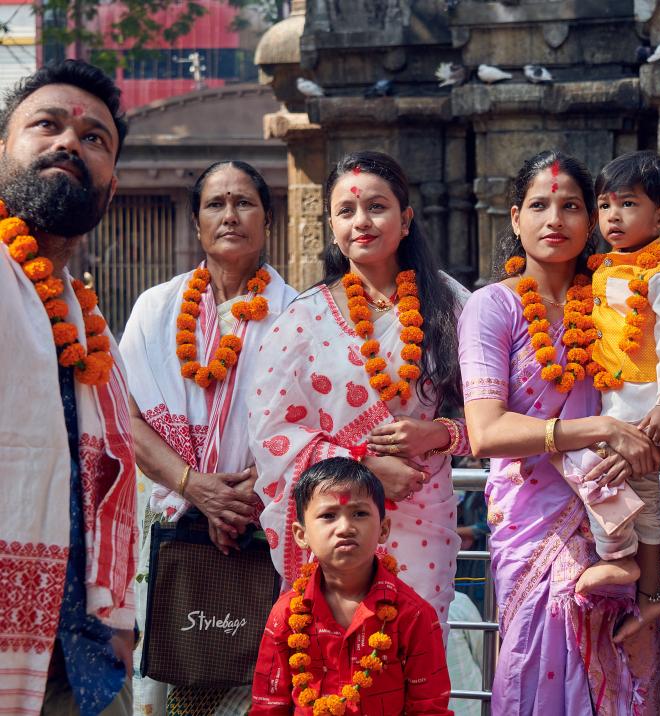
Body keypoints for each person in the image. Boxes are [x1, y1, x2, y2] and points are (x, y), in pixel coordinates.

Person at [458, 149, 660, 715]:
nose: (554, 219)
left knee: (626, 657)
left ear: (592, 221)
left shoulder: (617, 295)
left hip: (615, 513)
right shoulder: (493, 307)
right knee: (540, 665)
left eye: (571, 205)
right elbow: (485, 431)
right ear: (514, 218)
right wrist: (600, 427)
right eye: (539, 205)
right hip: (533, 524)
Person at [249, 151, 469, 628]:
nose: (361, 222)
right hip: (337, 517)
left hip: (422, 514)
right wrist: (362, 465)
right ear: (332, 227)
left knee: (411, 662)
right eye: (346, 212)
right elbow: (272, 435)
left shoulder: (451, 306)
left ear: (406, 219)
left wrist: (437, 435)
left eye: (377, 207)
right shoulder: (303, 318)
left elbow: (495, 415)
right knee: (335, 669)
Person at [119, 160, 297, 713]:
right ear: (197, 223)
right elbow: (126, 416)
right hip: (172, 525)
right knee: (170, 674)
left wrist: (246, 500)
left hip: (264, 523)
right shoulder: (156, 308)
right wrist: (195, 487)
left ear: (267, 220)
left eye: (244, 202)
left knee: (256, 680)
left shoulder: (299, 313)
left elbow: (316, 427)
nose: (230, 215)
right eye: (215, 204)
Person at [0, 60, 136, 714]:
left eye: (94, 139)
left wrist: (119, 614)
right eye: (45, 125)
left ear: (111, 188)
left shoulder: (87, 321)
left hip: (82, 659)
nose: (68, 144)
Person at [561, 150, 660, 609]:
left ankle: (621, 558)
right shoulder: (601, 270)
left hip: (654, 405)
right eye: (604, 205)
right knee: (628, 485)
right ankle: (639, 576)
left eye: (627, 204)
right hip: (621, 404)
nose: (612, 216)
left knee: (588, 467)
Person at [251, 457, 452, 715]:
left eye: (359, 513)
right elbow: (269, 705)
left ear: (383, 528)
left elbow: (429, 707)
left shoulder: (413, 615)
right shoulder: (286, 615)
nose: (345, 527)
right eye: (328, 516)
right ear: (302, 536)